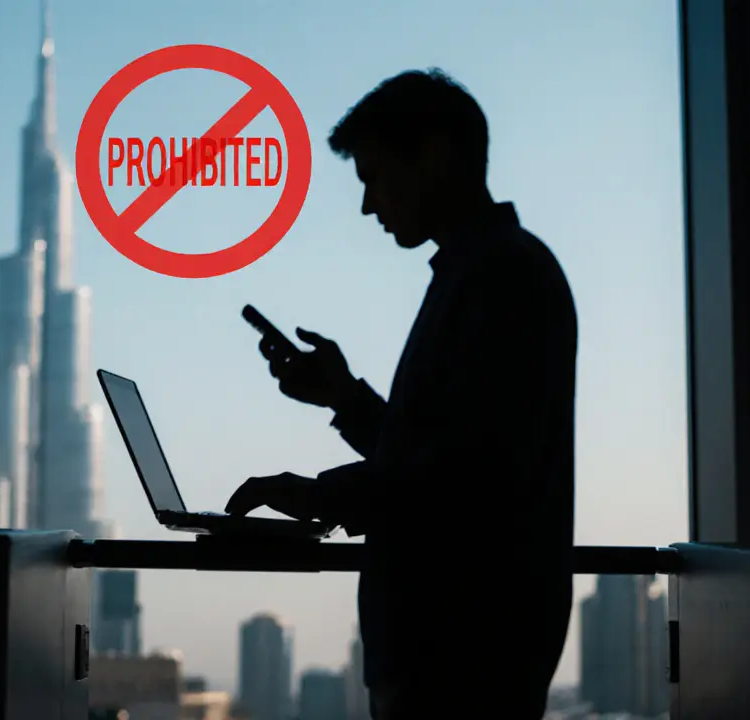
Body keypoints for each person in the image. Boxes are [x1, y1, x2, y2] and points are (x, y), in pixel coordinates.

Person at [226, 68, 578, 719]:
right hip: (458, 650)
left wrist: (313, 495)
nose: (368, 205)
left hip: (463, 655)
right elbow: (447, 454)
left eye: (374, 177)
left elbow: (467, 477)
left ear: (435, 156)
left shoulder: (501, 278)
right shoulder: (483, 273)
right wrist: (345, 399)